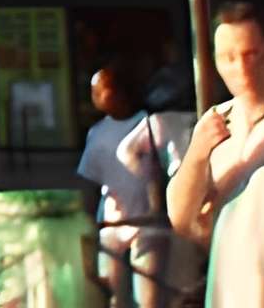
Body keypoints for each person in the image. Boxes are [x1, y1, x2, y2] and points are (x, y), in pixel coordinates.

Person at [170, 2, 264, 308]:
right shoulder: (213, 124)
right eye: (228, 58)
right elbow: (181, 219)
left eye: (251, 54)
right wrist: (197, 154)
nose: (241, 68)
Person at [81, 60, 200, 308]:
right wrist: (89, 217)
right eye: (95, 91)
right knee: (112, 296)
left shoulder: (149, 122)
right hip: (112, 222)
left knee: (149, 298)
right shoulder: (96, 132)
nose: (99, 96)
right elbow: (91, 180)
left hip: (148, 223)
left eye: (105, 89)